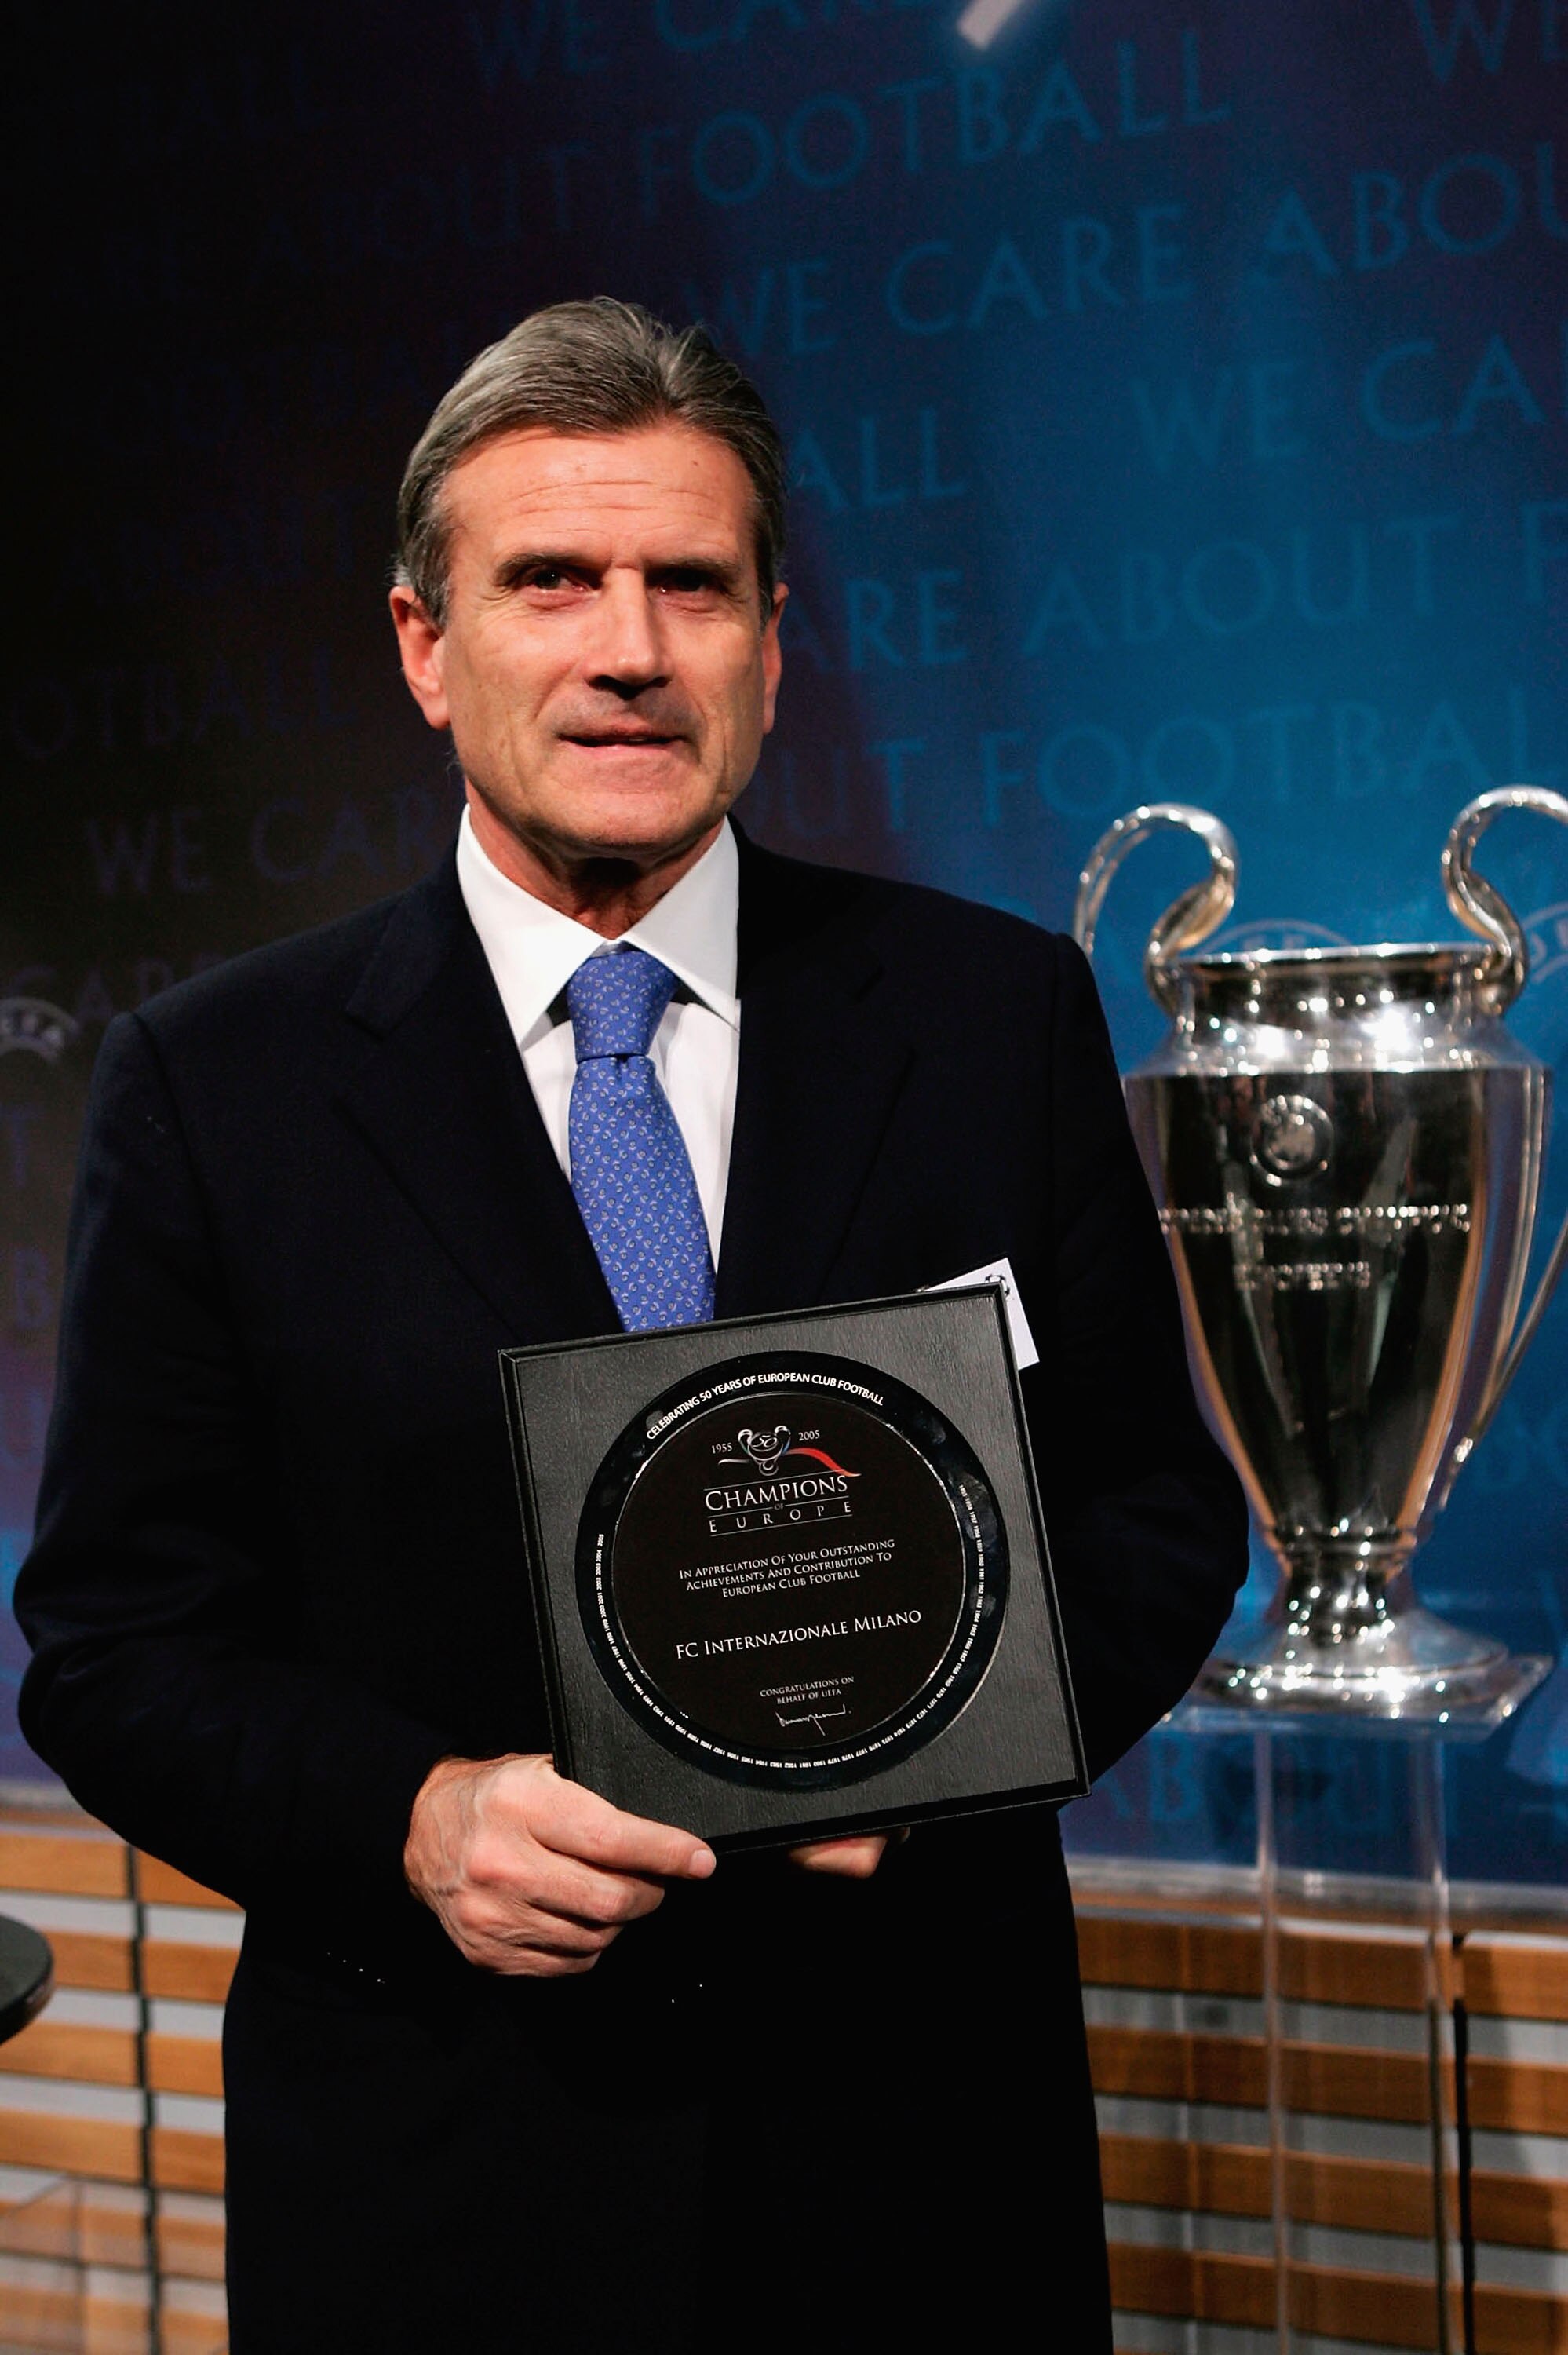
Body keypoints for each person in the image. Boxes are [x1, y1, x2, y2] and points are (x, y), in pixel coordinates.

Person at [16, 300, 1247, 2352]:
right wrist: (410, 1822)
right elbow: (120, 1645)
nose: (630, 647)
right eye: (552, 582)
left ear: (772, 639)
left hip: (916, 2164)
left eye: (694, 584)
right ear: (425, 644)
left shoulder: (987, 1018)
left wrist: (941, 1747)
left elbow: (1150, 1519)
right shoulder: (209, 1086)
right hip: (445, 2184)